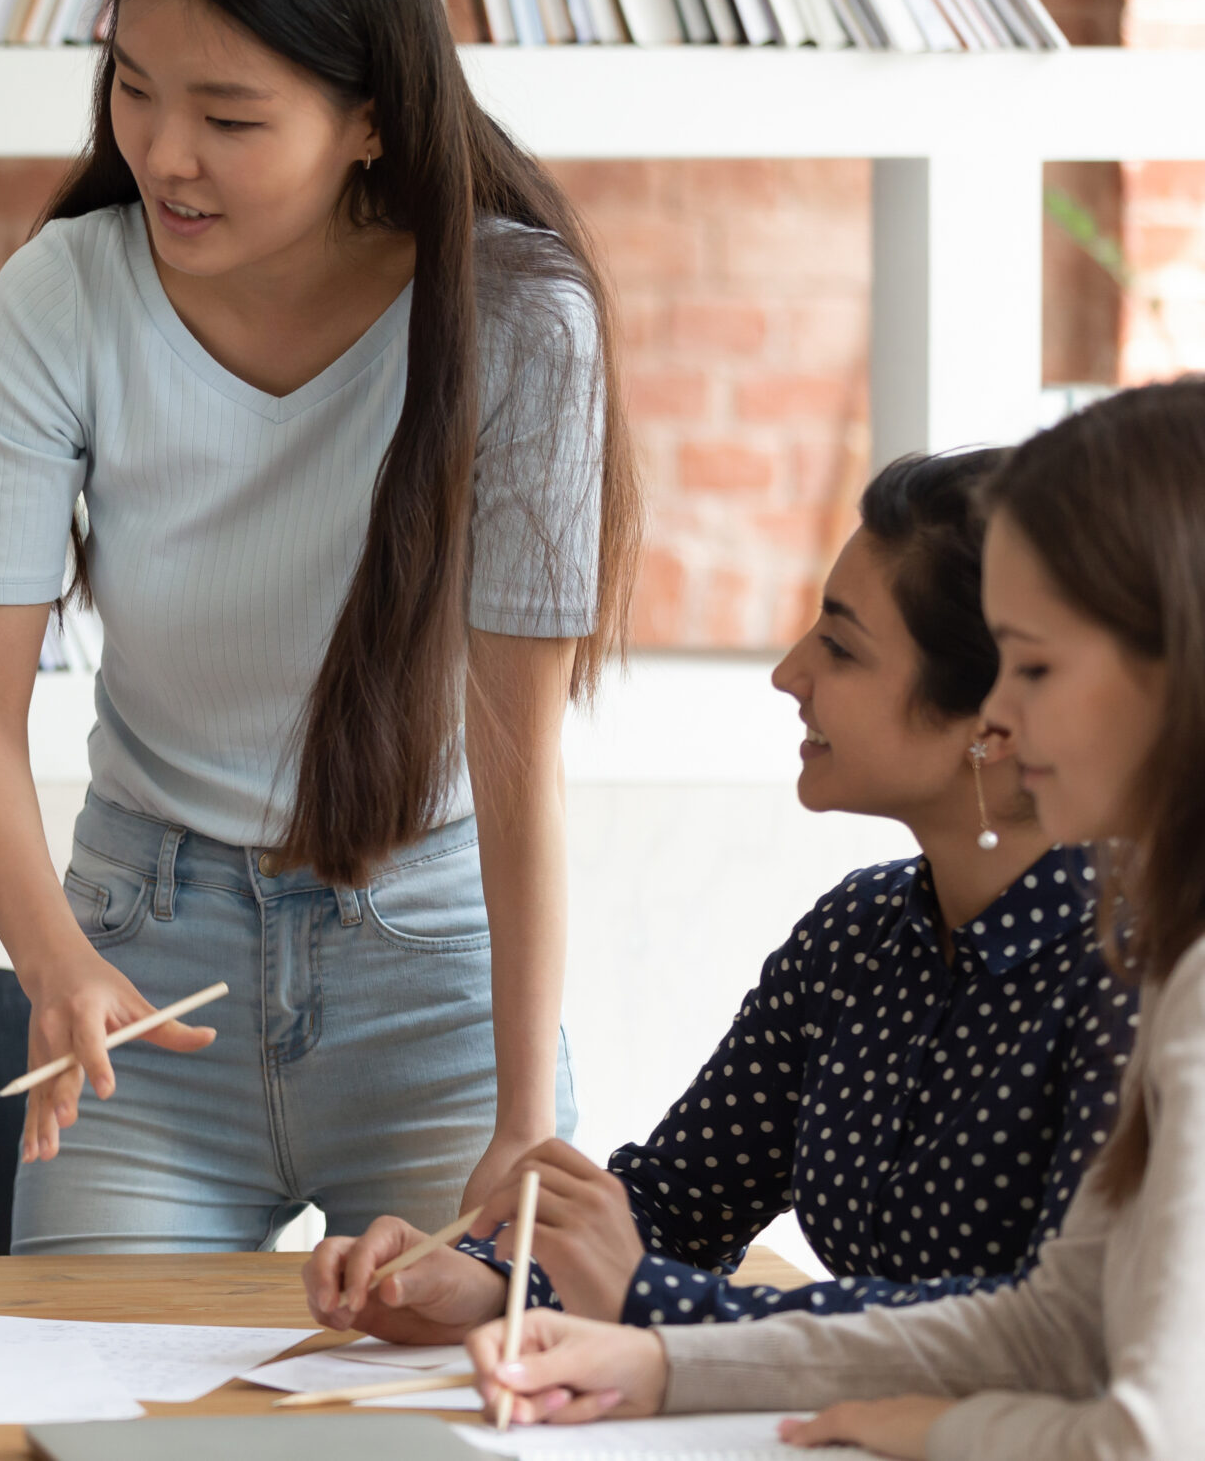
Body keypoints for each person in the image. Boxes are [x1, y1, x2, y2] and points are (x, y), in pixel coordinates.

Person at [0, 0, 636, 1253]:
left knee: (466, 1398)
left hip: (429, 966)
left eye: (229, 117)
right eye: (133, 88)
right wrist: (56, 963)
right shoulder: (62, 294)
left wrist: (516, 1108)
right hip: (144, 956)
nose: (164, 154)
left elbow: (517, 753)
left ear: (369, 118)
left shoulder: (517, 319)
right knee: (91, 1404)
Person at [461, 379, 1205, 1459]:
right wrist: (553, 1307)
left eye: (1034, 667)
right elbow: (1059, 1318)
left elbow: (1140, 1422)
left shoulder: (1147, 960)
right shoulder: (871, 933)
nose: (1005, 712)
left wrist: (932, 1429)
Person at [303, 449, 1138, 1339]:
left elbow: (1045, 1331)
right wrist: (473, 1281)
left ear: (996, 725)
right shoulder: (856, 936)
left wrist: (654, 1301)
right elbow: (673, 1207)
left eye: (842, 647)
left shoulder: (1139, 973)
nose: (789, 672)